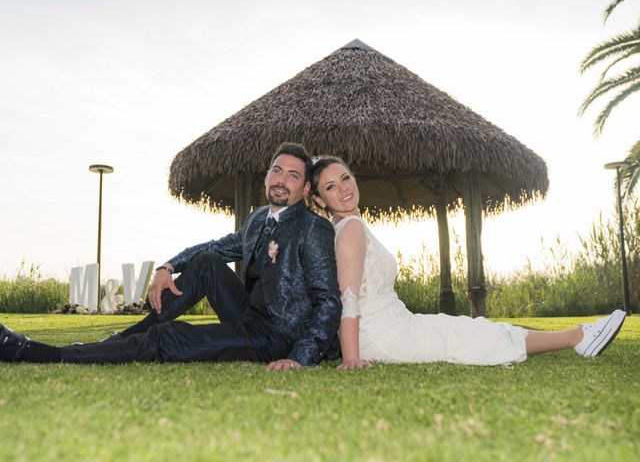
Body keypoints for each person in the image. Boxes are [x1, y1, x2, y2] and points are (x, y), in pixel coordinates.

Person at [0, 143, 342, 370]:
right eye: (277, 171)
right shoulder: (257, 219)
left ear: (306, 189)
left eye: (293, 176)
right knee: (206, 262)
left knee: (171, 338)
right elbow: (218, 246)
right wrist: (168, 265)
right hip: (248, 315)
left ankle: (40, 353)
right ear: (267, 176)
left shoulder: (313, 229)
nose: (282, 181)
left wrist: (300, 357)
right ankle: (119, 341)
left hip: (276, 336)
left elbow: (328, 301)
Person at [309, 156, 627, 369]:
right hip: (384, 336)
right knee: (471, 335)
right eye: (330, 186)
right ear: (321, 200)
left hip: (398, 323)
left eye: (345, 177)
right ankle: (578, 336)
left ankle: (578, 337)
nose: (344, 188)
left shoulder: (352, 226)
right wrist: (352, 358)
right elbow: (346, 298)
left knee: (471, 327)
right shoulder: (349, 229)